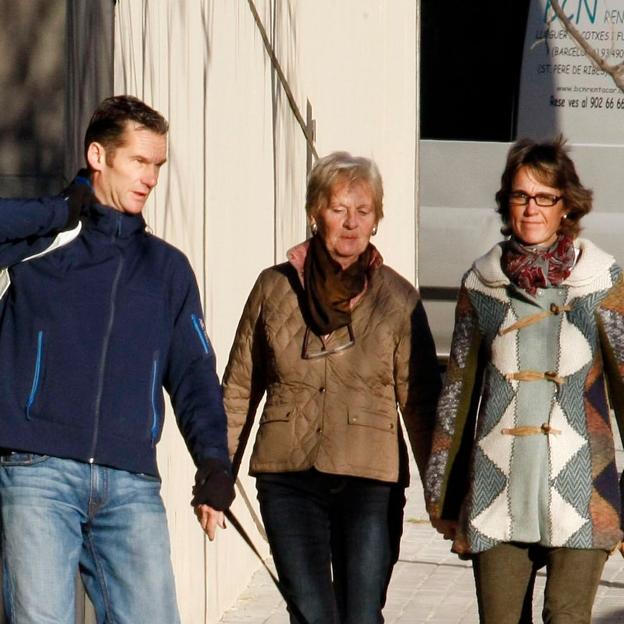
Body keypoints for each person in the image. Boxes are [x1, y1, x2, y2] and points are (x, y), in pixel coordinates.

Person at [0, 95, 234, 623]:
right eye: (139, 161)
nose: (151, 178)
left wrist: (214, 463)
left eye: (157, 165)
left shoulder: (166, 269)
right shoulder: (44, 242)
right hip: (39, 472)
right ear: (98, 156)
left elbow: (195, 374)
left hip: (130, 483)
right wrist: (61, 210)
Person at [223, 151, 441, 624]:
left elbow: (422, 404)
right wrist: (217, 475)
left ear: (377, 221)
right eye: (338, 209)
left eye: (363, 211)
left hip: (370, 480)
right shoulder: (273, 288)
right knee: (311, 615)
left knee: (361, 616)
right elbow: (239, 385)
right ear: (314, 213)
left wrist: (440, 495)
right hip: (288, 476)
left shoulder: (398, 299)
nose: (350, 223)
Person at [425, 137, 624, 623]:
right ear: (506, 203)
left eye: (544, 197)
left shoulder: (603, 283)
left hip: (585, 495)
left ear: (566, 206)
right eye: (520, 195)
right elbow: (456, 396)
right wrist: (444, 501)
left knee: (567, 618)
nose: (531, 208)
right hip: (497, 489)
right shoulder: (481, 285)